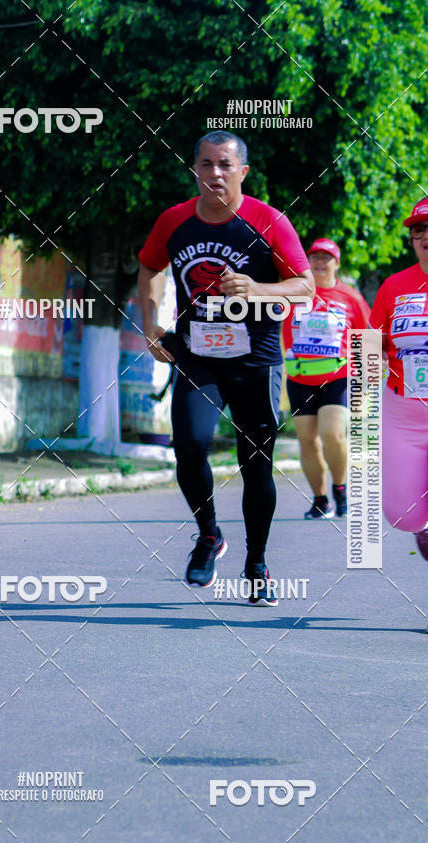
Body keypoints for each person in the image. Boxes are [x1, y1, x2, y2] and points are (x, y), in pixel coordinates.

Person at [138, 130, 314, 605]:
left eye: (225, 165)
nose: (215, 173)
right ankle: (209, 535)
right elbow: (151, 266)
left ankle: (257, 562)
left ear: (243, 172)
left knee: (255, 463)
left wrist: (259, 290)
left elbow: (304, 286)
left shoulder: (269, 221)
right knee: (190, 445)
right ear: (194, 168)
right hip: (198, 356)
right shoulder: (174, 221)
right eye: (206, 164)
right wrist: (151, 323)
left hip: (255, 361)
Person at [370, 193, 428, 634]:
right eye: (418, 229)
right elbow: (372, 347)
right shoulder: (394, 286)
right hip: (404, 412)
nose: (426, 235)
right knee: (402, 515)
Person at [282, 238, 370, 518]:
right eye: (315, 258)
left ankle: (340, 488)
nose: (320, 263)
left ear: (337, 263)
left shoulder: (351, 297)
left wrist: (365, 383)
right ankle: (320, 500)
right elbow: (281, 331)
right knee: (307, 441)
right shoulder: (295, 294)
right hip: (299, 378)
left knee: (331, 434)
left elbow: (367, 338)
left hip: (338, 376)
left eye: (326, 258)